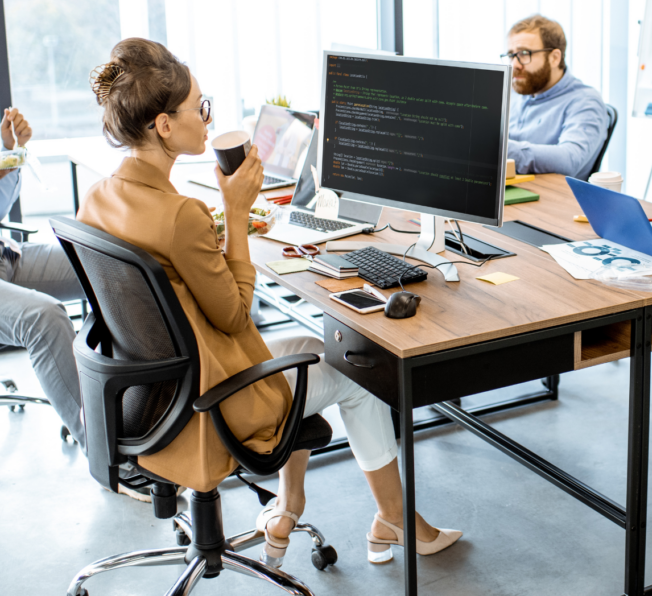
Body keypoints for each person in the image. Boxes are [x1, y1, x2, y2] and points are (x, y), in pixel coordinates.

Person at [77, 38, 461, 567]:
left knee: (309, 346)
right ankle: (394, 518)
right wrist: (235, 213)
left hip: (150, 393)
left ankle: (289, 504)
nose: (207, 119)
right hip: (209, 404)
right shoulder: (179, 215)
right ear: (164, 126)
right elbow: (235, 315)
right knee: (358, 370)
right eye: (199, 108)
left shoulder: (97, 197)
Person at [0, 107, 86, 445]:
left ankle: (129, 405)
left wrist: (10, 152)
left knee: (100, 264)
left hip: (5, 255)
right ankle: (107, 457)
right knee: (45, 318)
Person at [502, 14, 609, 179]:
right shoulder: (515, 90)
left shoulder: (585, 101)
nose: (514, 64)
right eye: (511, 55)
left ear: (554, 58)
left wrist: (500, 148)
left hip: (550, 198)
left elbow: (569, 159)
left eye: (524, 53)